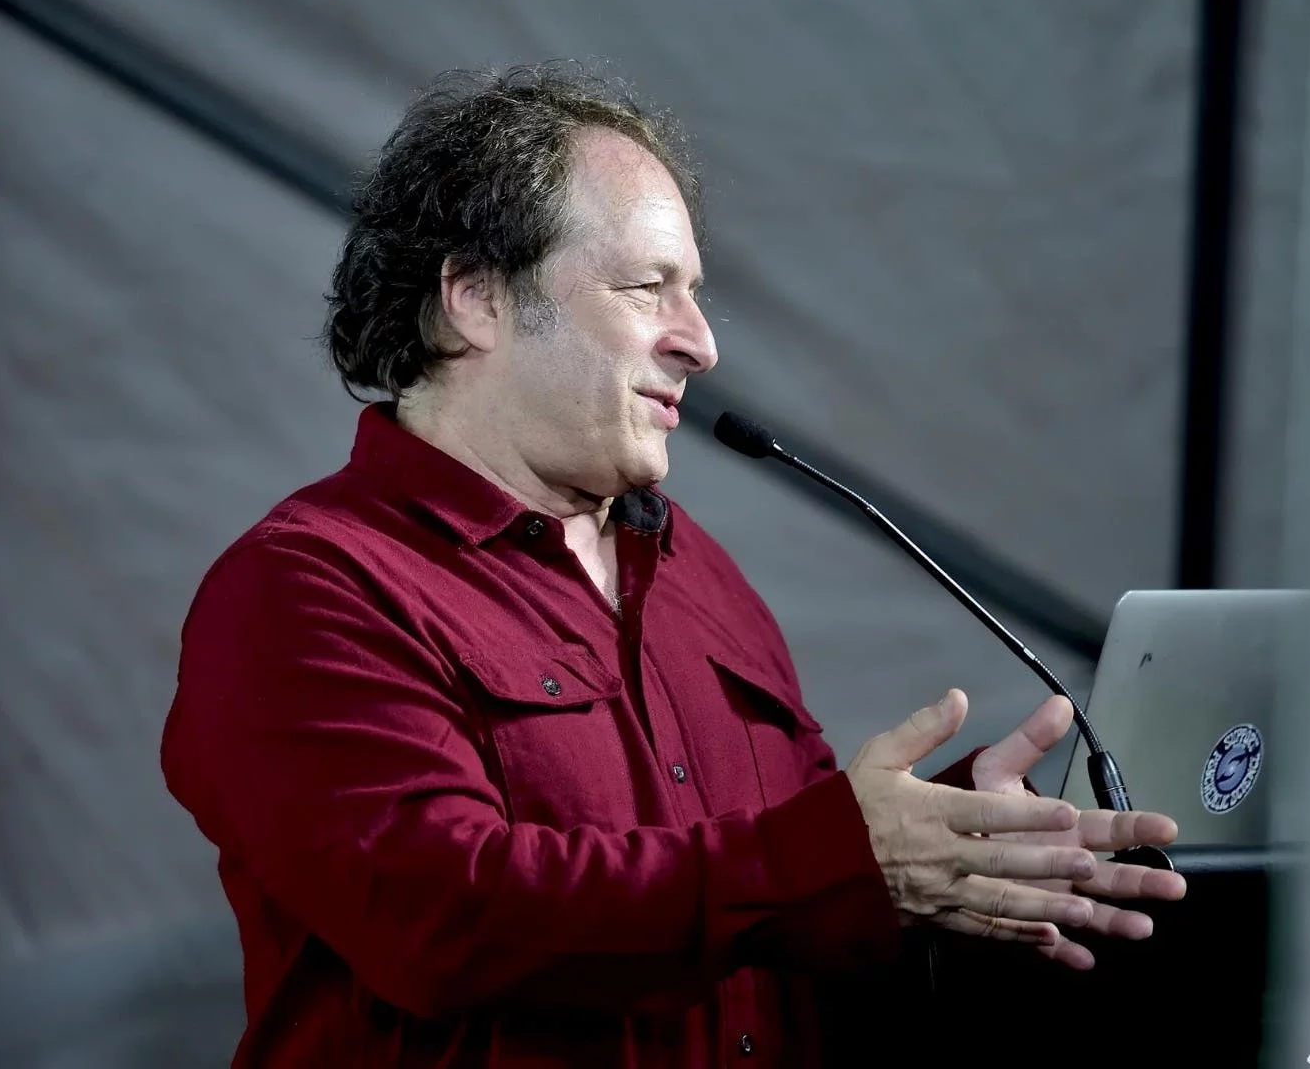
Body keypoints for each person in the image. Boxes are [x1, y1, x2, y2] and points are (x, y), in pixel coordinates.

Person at [160, 62, 1186, 1068]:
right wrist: (836, 859)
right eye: (648, 288)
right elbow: (444, 917)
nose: (700, 344)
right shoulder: (305, 589)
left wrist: (951, 856)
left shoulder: (696, 574)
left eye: (695, 296)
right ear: (476, 299)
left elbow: (795, 906)